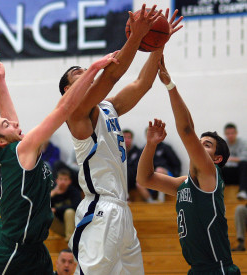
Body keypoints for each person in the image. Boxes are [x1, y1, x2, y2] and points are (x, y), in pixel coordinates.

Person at [59, 5, 183, 274]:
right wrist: (136, 37)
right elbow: (112, 75)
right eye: (81, 74)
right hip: (100, 208)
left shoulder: (107, 107)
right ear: (69, 90)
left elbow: (142, 84)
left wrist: (159, 42)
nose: (89, 74)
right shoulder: (76, 113)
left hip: (122, 208)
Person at [0, 48, 119, 275]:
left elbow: (10, 119)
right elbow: (63, 108)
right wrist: (93, 69)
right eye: (6, 125)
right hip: (11, 252)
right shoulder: (20, 152)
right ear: (1, 141)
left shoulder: (11, 153)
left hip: (35, 251)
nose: (14, 123)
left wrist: (0, 79)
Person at [136, 56, 240, 274]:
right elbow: (145, 179)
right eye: (199, 143)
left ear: (216, 158)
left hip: (217, 268)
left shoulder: (210, 174)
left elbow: (186, 131)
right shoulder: (184, 184)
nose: (200, 147)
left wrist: (170, 85)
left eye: (207, 145)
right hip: (196, 269)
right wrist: (150, 145)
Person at [51, 168, 82, 241]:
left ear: (69, 181)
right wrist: (51, 195)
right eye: (61, 179)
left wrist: (56, 209)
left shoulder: (74, 191)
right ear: (57, 181)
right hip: (61, 225)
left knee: (69, 212)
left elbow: (76, 206)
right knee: (46, 214)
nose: (63, 182)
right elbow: (42, 207)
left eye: (65, 179)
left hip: (74, 224)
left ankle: (70, 240)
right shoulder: (52, 192)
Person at [222, 123, 247, 200]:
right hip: (226, 172)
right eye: (228, 133)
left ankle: (243, 191)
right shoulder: (222, 143)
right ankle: (218, 190)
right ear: (225, 134)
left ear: (236, 133)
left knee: (244, 164)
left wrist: (228, 158)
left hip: (239, 174)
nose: (230, 135)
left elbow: (244, 158)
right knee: (216, 166)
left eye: (232, 133)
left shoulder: (242, 142)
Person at [122, 129, 142, 197]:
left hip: (134, 178)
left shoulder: (138, 152)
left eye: (129, 137)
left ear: (132, 139)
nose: (126, 140)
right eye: (124, 137)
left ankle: (125, 197)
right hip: (122, 176)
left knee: (127, 173)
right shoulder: (116, 152)